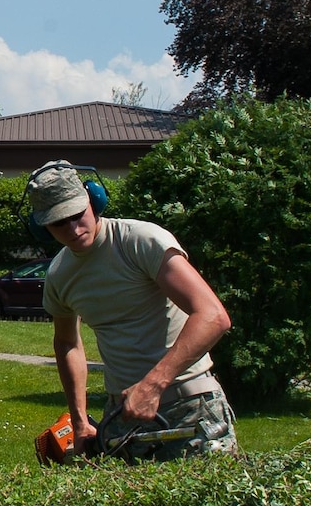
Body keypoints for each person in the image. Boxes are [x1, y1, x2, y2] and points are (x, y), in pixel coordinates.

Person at [32, 161, 237, 461]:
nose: (73, 229)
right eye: (59, 222)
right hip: (122, 418)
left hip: (190, 407)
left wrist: (153, 385)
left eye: (78, 215)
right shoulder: (60, 274)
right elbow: (66, 343)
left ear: (94, 200)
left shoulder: (140, 241)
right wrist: (79, 422)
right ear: (42, 228)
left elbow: (212, 316)